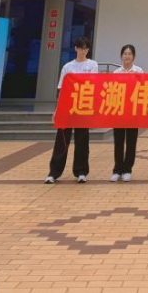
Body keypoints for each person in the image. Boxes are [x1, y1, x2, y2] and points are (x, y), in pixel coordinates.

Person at [44, 36, 98, 184]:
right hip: (67, 107)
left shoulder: (92, 65)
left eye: (85, 48)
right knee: (61, 140)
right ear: (75, 48)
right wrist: (57, 110)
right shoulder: (68, 67)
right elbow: (61, 90)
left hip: (83, 107)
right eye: (80, 48)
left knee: (82, 141)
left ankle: (81, 172)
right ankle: (54, 172)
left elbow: (92, 84)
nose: (83, 51)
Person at [111, 44, 144, 183]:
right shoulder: (116, 73)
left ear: (134, 56)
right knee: (118, 142)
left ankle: (127, 170)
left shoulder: (139, 71)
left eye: (130, 54)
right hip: (119, 111)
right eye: (125, 53)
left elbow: (143, 90)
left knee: (131, 142)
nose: (127, 56)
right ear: (121, 56)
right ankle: (117, 170)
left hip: (132, 112)